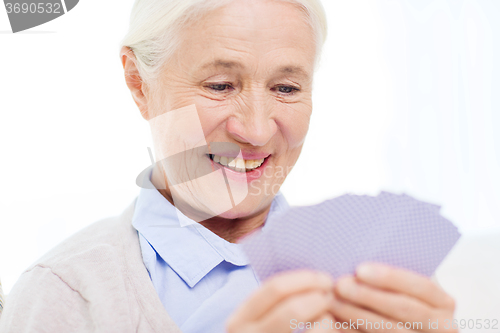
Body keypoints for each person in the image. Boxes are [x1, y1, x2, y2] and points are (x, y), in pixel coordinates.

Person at [0, 0, 457, 332]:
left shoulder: (381, 269)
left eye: (286, 88)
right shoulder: (63, 297)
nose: (257, 131)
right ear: (139, 83)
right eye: (219, 86)